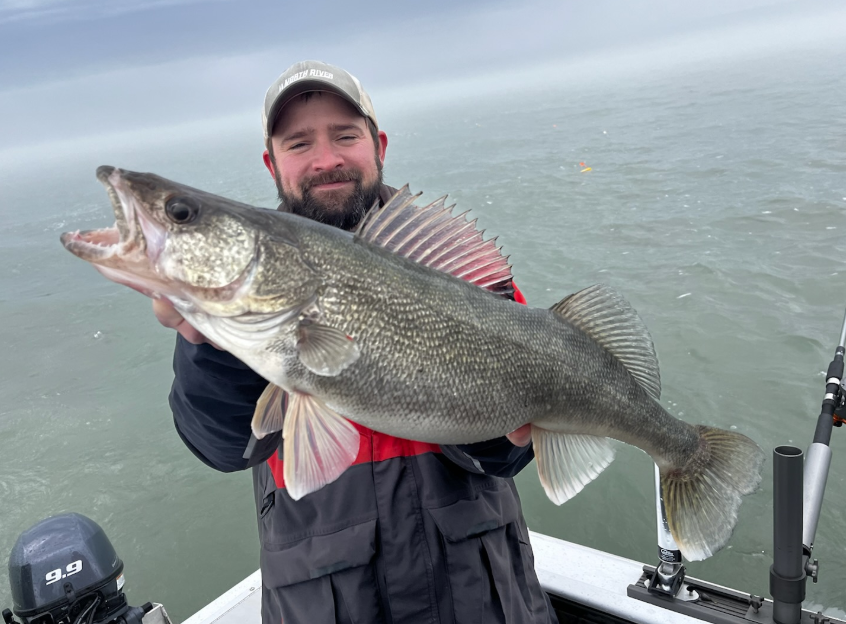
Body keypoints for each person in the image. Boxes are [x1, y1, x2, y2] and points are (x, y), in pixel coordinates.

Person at [153, 60, 555, 624]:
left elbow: (512, 455)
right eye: (299, 143)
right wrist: (211, 348)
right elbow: (223, 448)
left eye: (345, 135)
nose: (326, 160)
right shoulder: (244, 287)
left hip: (481, 599)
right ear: (272, 163)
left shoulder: (462, 269)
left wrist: (498, 427)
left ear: (378, 145)